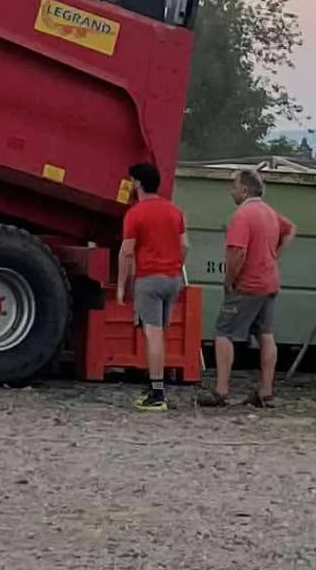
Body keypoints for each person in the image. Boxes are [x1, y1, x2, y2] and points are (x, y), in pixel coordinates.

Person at [206, 171, 291, 410]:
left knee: (224, 332)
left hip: (248, 284)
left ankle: (221, 390)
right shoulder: (269, 212)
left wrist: (230, 280)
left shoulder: (242, 215)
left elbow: (238, 252)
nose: (231, 191)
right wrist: (273, 256)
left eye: (233, 186)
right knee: (265, 334)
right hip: (269, 282)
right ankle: (265, 391)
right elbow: (290, 230)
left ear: (244, 190)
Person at [116, 159, 190, 410]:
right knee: (160, 334)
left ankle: (157, 392)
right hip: (173, 279)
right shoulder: (174, 210)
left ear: (137, 183)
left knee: (153, 334)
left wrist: (120, 286)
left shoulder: (135, 213)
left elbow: (126, 252)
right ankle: (154, 386)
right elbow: (185, 245)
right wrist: (176, 267)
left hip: (149, 279)